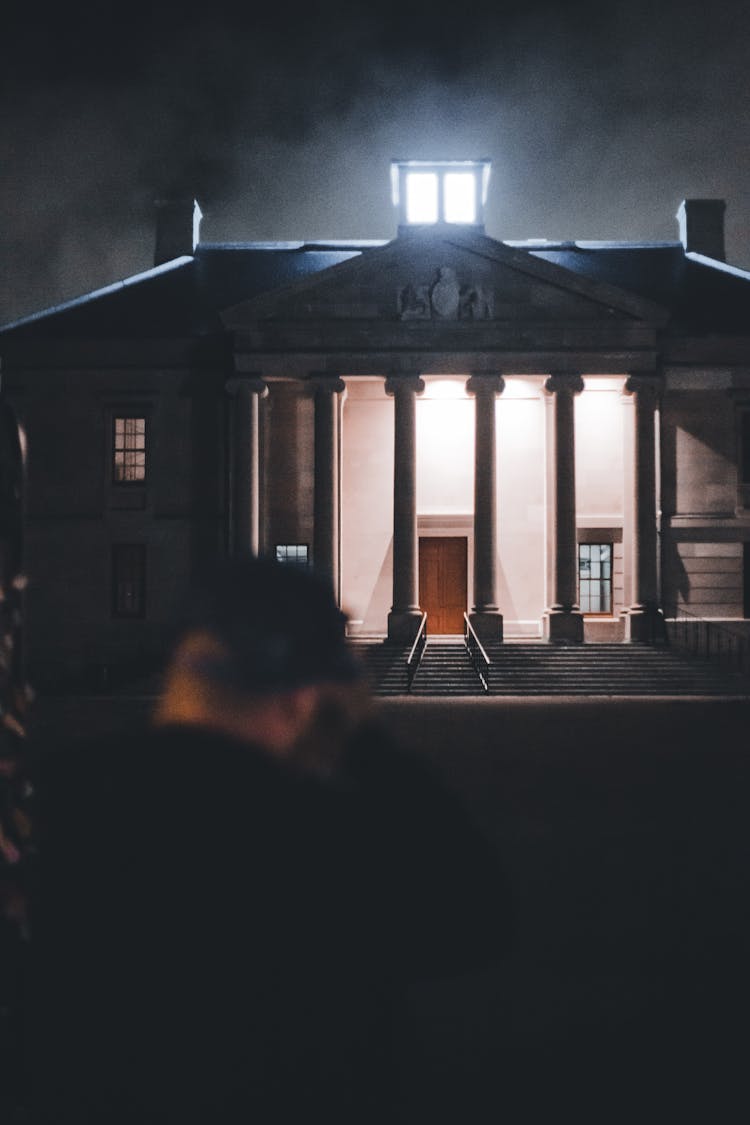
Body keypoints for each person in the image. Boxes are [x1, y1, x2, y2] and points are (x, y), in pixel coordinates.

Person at [28, 556, 511, 1124]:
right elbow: (479, 919)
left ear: (186, 667)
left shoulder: (66, 795)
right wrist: (365, 742)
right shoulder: (336, 834)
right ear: (309, 692)